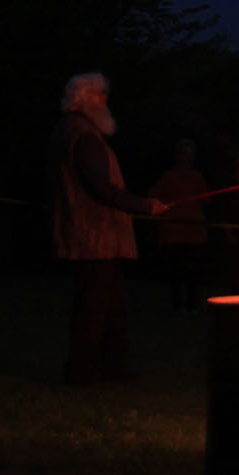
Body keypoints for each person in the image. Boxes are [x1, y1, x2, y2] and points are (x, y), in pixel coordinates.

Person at [47, 72, 165, 385]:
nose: (105, 100)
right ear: (83, 98)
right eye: (99, 94)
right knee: (94, 308)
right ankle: (81, 373)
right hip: (94, 235)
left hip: (93, 234)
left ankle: (112, 368)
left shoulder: (71, 130)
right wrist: (144, 205)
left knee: (111, 305)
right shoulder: (83, 136)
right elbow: (102, 189)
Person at [147, 138, 210, 310]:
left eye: (191, 154)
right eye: (184, 153)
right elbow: (153, 195)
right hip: (174, 232)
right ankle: (177, 306)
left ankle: (191, 305)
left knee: (193, 272)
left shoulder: (198, 177)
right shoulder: (169, 177)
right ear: (178, 156)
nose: (187, 158)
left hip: (195, 232)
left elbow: (207, 201)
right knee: (176, 271)